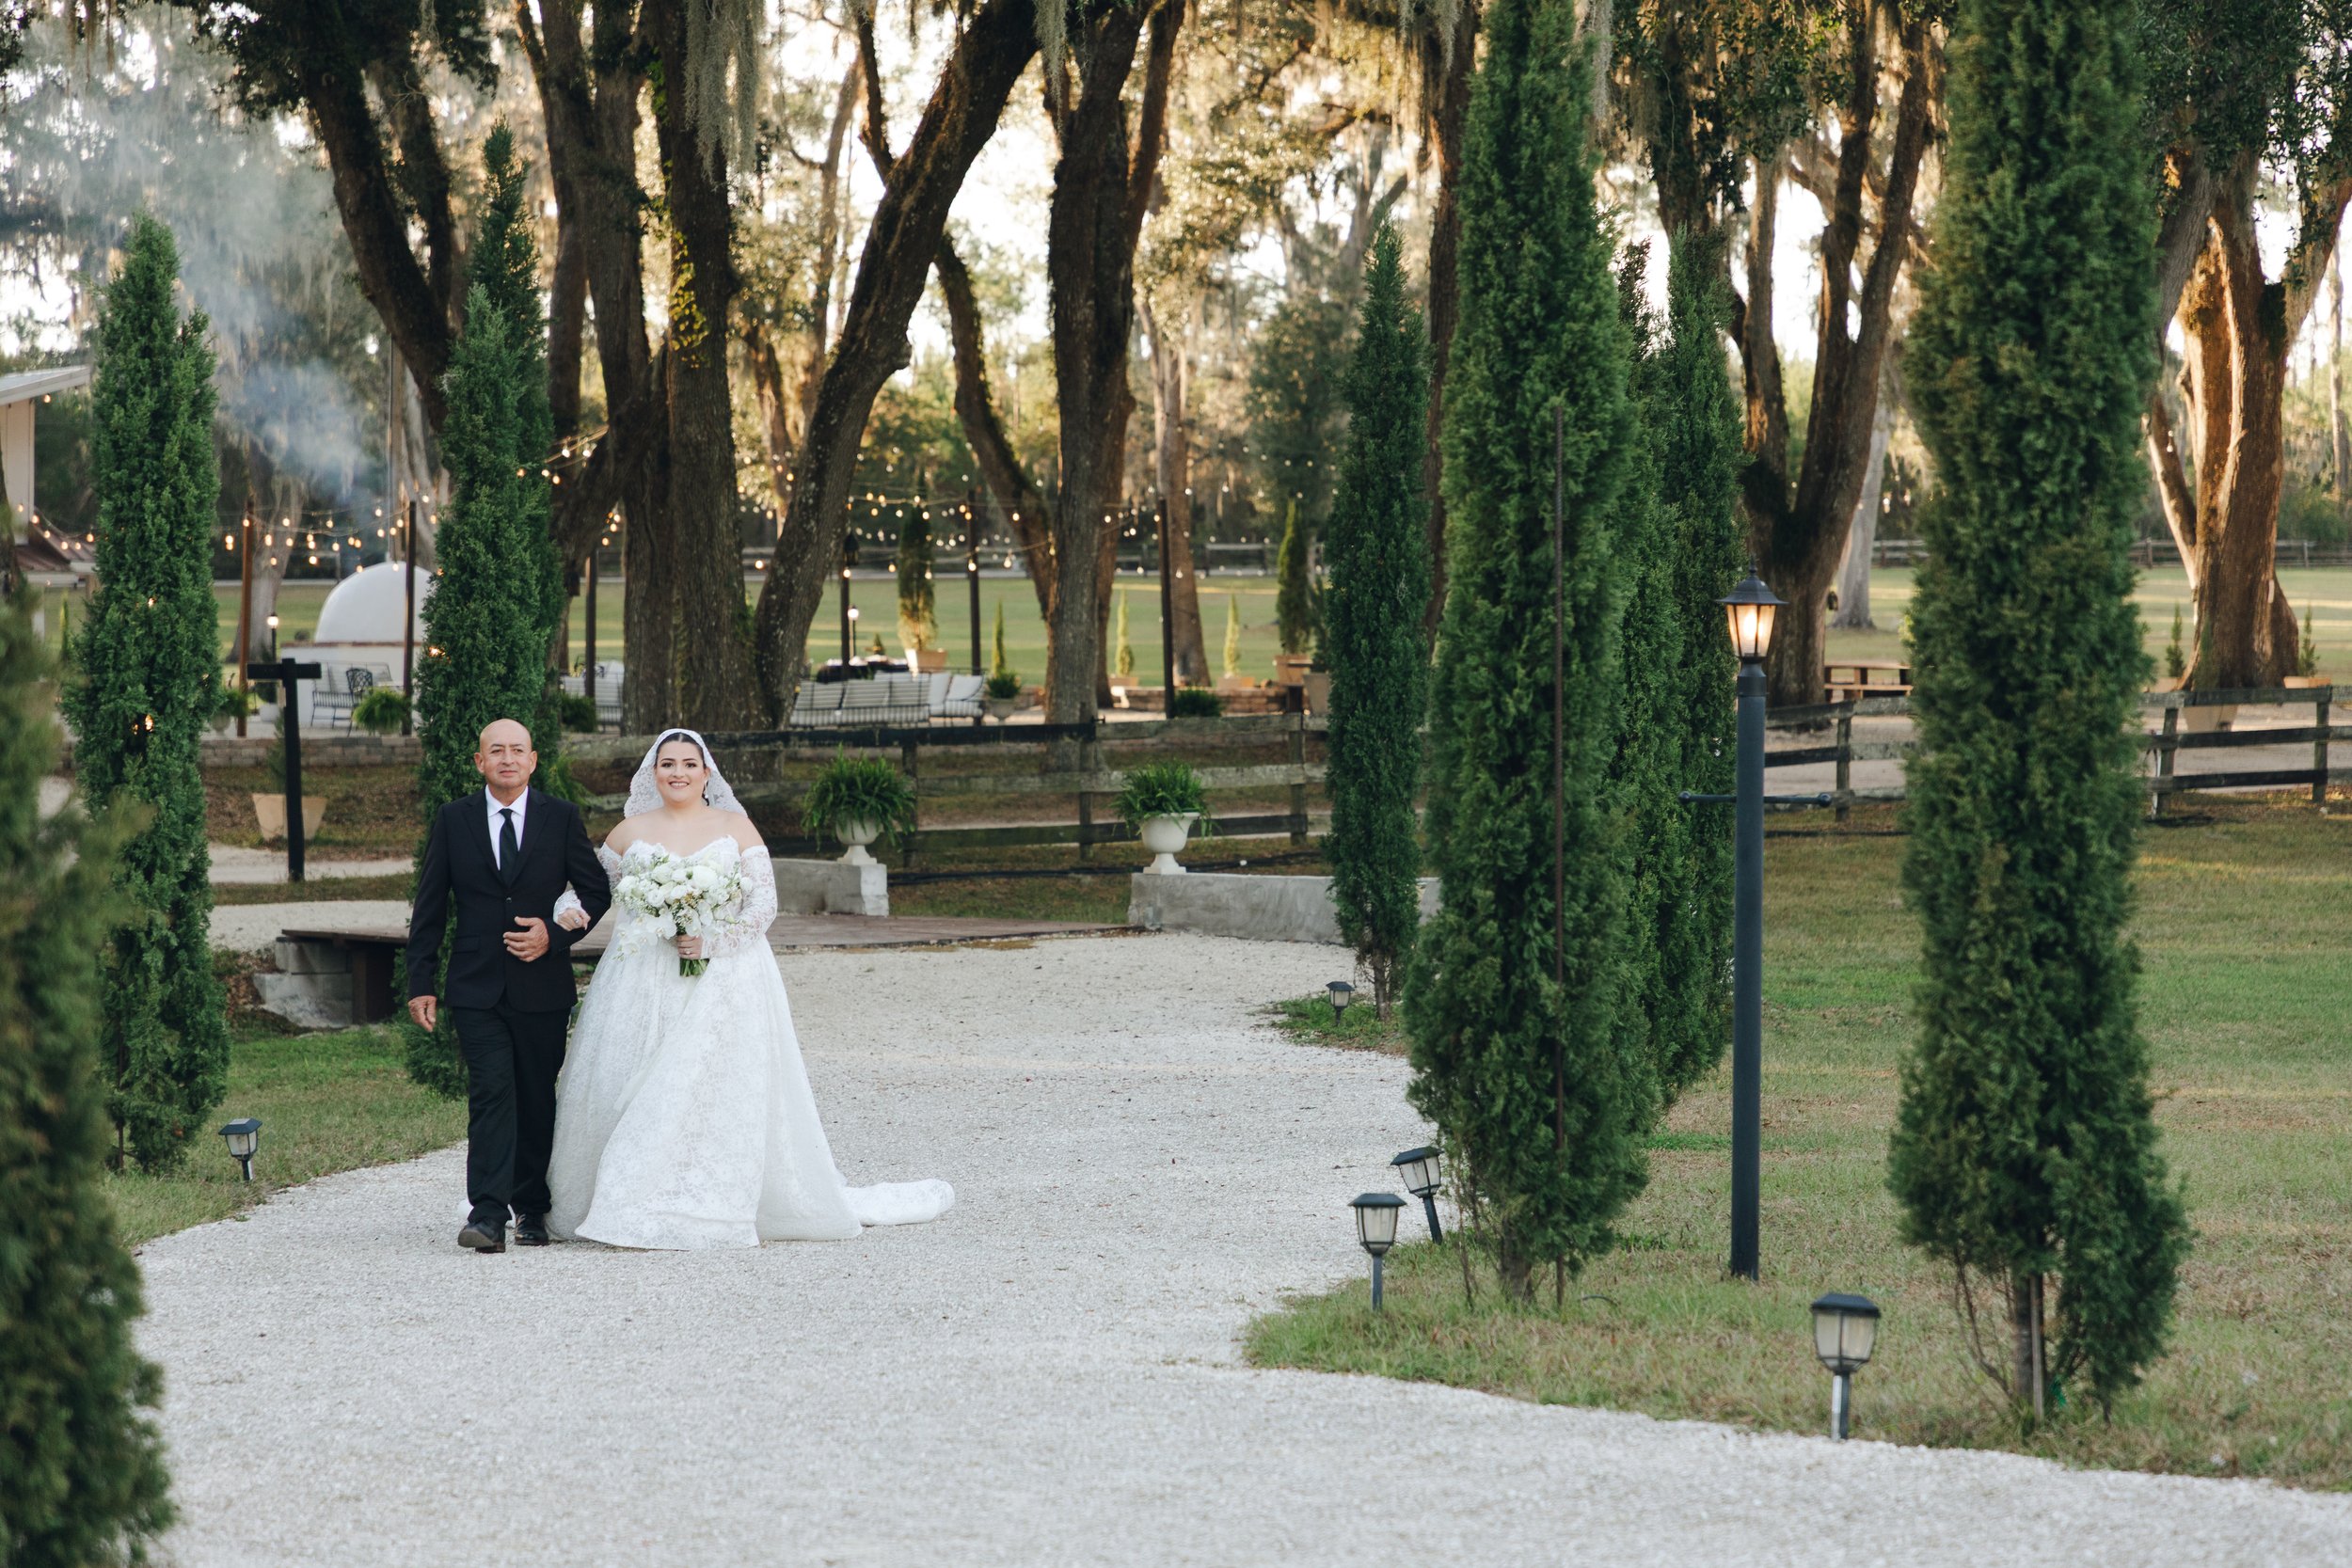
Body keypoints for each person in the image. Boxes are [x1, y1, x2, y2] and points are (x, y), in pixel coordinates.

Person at [544, 729, 953, 1248]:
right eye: (667, 764)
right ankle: (624, 1195)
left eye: (689, 764)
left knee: (706, 1084)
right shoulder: (629, 831)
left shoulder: (736, 827)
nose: (678, 773)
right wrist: (565, 910)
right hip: (641, 978)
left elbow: (764, 906)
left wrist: (711, 942)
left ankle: (705, 1200)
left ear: (706, 773)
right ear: (653, 773)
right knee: (636, 1082)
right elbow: (588, 888)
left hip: (725, 977)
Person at [405, 719, 611, 1254]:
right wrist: (420, 982)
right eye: (496, 751)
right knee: (491, 1092)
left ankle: (533, 1207)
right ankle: (489, 1215)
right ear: (480, 763)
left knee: (537, 1096)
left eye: (517, 750)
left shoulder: (560, 818)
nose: (507, 759)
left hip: (543, 986)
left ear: (533, 760)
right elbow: (429, 907)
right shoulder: (454, 821)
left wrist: (556, 935)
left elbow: (594, 891)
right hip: (476, 987)